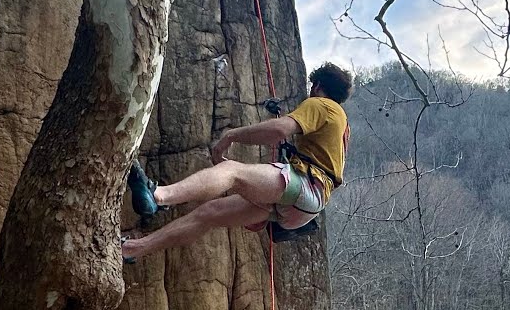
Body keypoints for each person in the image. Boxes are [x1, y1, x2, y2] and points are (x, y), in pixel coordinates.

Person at [121, 62, 353, 260]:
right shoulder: (342, 124)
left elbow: (280, 130)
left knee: (231, 171)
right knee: (209, 213)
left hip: (304, 186)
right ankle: (133, 249)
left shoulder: (322, 105)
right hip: (309, 205)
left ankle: (158, 195)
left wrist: (231, 135)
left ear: (318, 86)